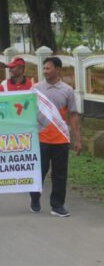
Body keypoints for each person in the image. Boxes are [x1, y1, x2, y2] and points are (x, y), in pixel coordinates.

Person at [30, 57, 81, 217]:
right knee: (40, 172)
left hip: (61, 139)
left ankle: (57, 205)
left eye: (48, 68)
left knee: (60, 174)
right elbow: (27, 111)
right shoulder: (35, 89)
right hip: (41, 139)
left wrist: (77, 139)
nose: (45, 71)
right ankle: (35, 197)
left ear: (58, 70)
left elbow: (73, 115)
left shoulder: (67, 90)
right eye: (44, 68)